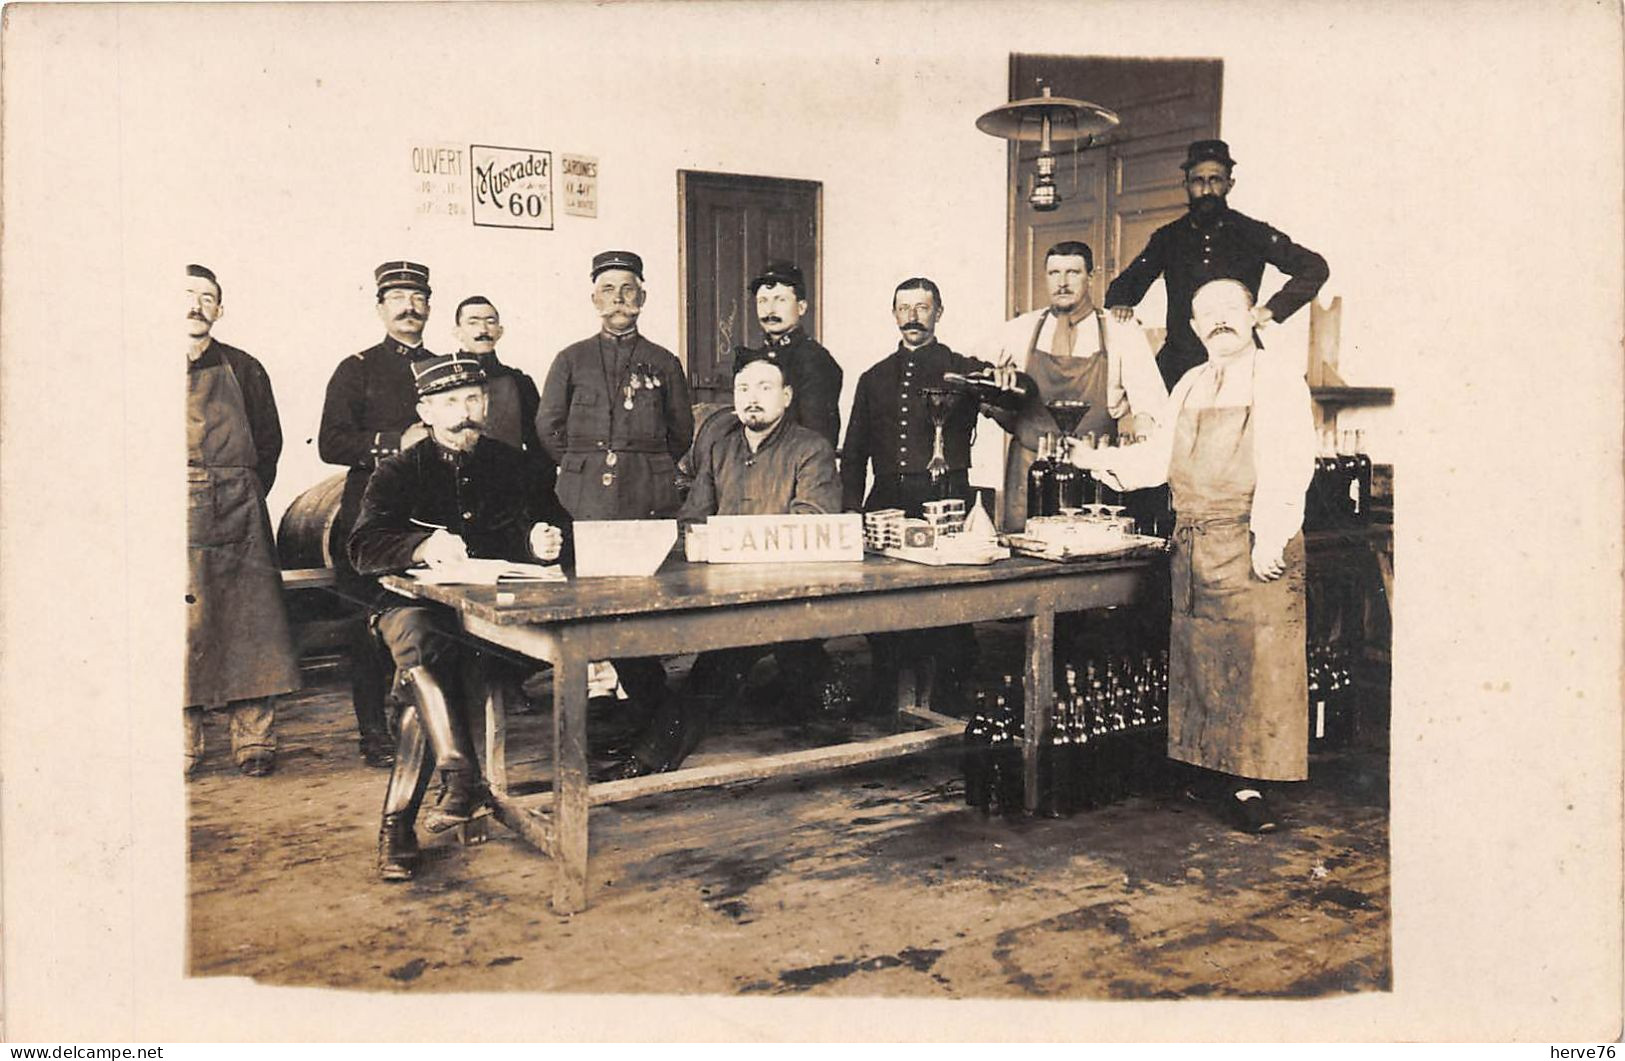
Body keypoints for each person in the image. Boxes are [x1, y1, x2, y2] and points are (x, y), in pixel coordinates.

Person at [1066, 279, 1315, 833]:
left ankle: (1249, 784)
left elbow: (1291, 462)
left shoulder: (1276, 379)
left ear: (1253, 316)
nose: (1219, 319)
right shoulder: (1190, 383)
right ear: (1196, 328)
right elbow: (1159, 459)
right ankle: (1206, 768)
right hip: (1196, 544)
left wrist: (1271, 535)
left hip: (1252, 542)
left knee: (1254, 666)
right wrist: (1093, 462)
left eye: (1231, 308)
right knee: (1202, 659)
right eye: (1206, 313)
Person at [347, 353, 571, 881]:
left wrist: (541, 541)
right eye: (450, 402)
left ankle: (422, 811)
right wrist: (421, 544)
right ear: (425, 410)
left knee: (422, 682)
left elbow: (552, 523)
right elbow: (362, 546)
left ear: (486, 403)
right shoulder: (399, 470)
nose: (464, 413)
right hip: (415, 608)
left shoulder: (512, 463)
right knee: (422, 649)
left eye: (473, 399)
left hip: (492, 617)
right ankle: (451, 781)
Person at [614, 355, 843, 777]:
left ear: (787, 396)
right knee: (629, 641)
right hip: (726, 590)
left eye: (764, 388)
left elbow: (812, 524)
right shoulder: (721, 449)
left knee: (720, 665)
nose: (752, 399)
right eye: (743, 390)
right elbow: (694, 518)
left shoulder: (811, 450)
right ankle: (657, 723)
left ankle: (649, 757)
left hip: (788, 594)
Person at [841, 277, 1026, 711]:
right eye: (904, 308)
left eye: (922, 307)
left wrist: (1004, 379)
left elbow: (1022, 396)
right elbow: (854, 453)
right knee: (881, 602)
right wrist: (851, 509)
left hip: (946, 498)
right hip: (887, 499)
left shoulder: (963, 368)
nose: (913, 317)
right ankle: (887, 684)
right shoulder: (873, 377)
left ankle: (948, 691)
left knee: (951, 605)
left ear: (938, 313)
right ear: (893, 315)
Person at [537, 250, 692, 745]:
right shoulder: (570, 358)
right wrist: (584, 460)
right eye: (608, 290)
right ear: (593, 299)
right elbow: (548, 425)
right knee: (589, 591)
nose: (619, 299)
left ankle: (643, 694)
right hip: (585, 492)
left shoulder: (664, 361)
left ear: (642, 297)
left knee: (640, 589)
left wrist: (640, 463)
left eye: (628, 289)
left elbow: (680, 431)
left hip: (643, 489)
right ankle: (599, 687)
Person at [318, 260, 439, 768]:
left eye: (417, 299)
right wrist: (394, 443)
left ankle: (433, 724)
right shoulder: (357, 368)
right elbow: (331, 443)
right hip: (369, 517)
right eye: (397, 299)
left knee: (432, 623)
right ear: (380, 308)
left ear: (429, 307)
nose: (409, 308)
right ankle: (374, 733)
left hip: (430, 516)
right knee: (366, 625)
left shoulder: (443, 365)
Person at [184, 264, 301, 777]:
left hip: (240, 507)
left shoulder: (245, 367)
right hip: (166, 508)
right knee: (180, 625)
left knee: (253, 622)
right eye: (186, 295)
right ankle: (184, 741)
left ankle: (255, 738)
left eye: (206, 297)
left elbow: (269, 444)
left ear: (220, 309)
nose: (195, 305)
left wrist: (241, 490)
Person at [1105, 139, 1330, 390]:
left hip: (1239, 360)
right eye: (1198, 181)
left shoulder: (1253, 232)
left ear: (1229, 184)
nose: (1207, 189)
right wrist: (1120, 303)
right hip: (1179, 364)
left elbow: (1314, 268)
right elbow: (1124, 286)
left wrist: (1271, 310)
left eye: (1215, 180)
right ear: (1186, 185)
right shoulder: (1168, 237)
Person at [979, 240, 1168, 533]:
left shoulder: (1120, 330)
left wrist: (1143, 442)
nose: (1062, 283)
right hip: (1030, 467)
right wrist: (997, 394)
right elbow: (979, 381)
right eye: (1054, 273)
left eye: (1073, 273)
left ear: (1090, 277)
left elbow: (1149, 401)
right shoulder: (1020, 329)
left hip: (1093, 467)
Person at [451, 295, 550, 483]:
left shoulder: (519, 381)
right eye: (473, 323)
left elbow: (539, 446)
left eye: (490, 322)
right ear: (458, 332)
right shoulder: (443, 382)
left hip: (509, 486)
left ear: (500, 331)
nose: (483, 330)